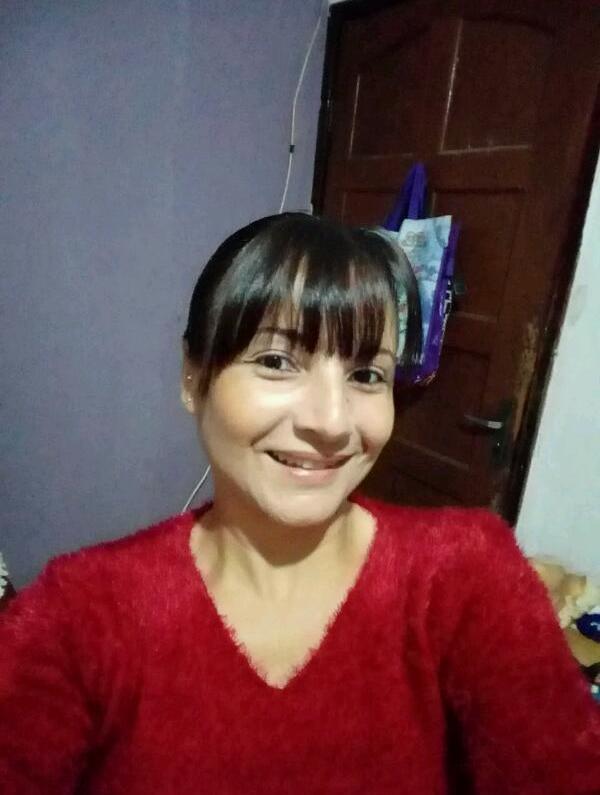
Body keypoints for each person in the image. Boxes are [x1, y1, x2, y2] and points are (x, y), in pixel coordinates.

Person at [0, 213, 599, 794]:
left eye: (366, 375)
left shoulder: (465, 573)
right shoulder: (79, 613)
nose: (332, 423)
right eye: (277, 362)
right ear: (193, 377)